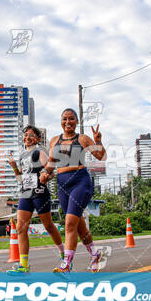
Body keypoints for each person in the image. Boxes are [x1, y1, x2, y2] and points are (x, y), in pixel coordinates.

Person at [45, 108, 107, 273]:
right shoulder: (54, 141)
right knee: (79, 227)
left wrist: (98, 142)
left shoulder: (83, 139)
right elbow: (50, 166)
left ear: (77, 122)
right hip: (62, 184)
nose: (68, 122)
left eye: (71, 119)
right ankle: (95, 254)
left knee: (69, 223)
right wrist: (44, 175)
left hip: (81, 182)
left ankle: (66, 264)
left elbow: (101, 157)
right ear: (61, 121)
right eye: (65, 119)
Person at [5, 125, 64, 275]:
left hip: (40, 193)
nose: (27, 137)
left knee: (49, 226)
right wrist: (14, 167)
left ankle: (63, 253)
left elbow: (50, 171)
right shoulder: (22, 155)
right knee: (21, 228)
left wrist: (46, 177)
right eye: (25, 135)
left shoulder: (40, 152)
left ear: (37, 139)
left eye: (31, 135)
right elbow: (20, 180)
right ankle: (24, 265)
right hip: (25, 194)